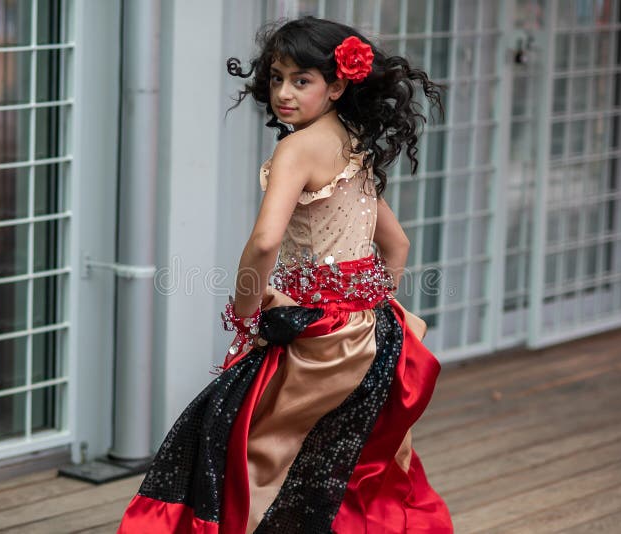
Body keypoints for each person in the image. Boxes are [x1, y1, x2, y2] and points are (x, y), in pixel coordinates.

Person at [117, 16, 453, 533]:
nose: (283, 93)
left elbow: (266, 242)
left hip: (319, 338)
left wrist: (244, 314)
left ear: (337, 85)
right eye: (276, 78)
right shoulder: (352, 144)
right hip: (374, 329)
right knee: (338, 459)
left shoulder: (296, 149)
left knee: (243, 445)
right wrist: (368, 303)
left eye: (302, 80)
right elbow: (397, 245)